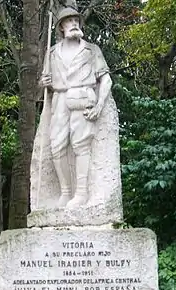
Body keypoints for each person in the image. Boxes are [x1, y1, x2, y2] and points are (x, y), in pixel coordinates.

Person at [34, 7, 120, 210]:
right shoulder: (52, 52)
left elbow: (106, 80)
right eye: (69, 20)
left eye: (76, 19)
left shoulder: (92, 50)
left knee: (81, 146)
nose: (73, 23)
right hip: (60, 101)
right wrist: (43, 82)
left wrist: (99, 106)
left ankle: (81, 193)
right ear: (61, 27)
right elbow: (45, 82)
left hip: (83, 98)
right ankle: (65, 192)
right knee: (56, 146)